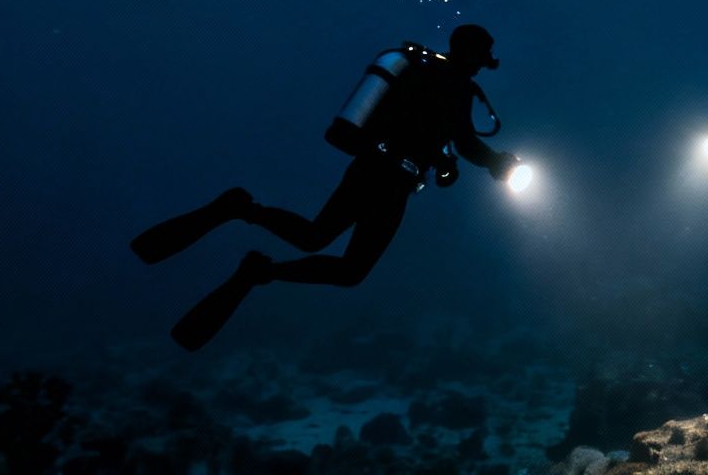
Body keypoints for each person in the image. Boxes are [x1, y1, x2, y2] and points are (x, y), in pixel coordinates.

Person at [130, 24, 522, 350]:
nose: (482, 67)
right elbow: (459, 139)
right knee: (328, 250)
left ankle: (254, 252)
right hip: (377, 176)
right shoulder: (441, 81)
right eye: (482, 57)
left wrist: (453, 162)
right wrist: (492, 163)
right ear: (470, 53)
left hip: (390, 180)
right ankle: (245, 226)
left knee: (335, 257)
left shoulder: (441, 82)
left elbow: (441, 136)